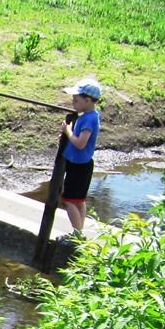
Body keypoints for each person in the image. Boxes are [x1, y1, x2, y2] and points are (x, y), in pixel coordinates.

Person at [60, 76, 102, 235]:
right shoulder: (90, 116)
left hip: (79, 166)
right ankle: (79, 231)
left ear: (88, 101)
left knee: (68, 201)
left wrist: (68, 131)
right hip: (82, 164)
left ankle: (77, 234)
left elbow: (80, 143)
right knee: (79, 201)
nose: (73, 103)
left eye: (76, 100)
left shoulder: (88, 119)